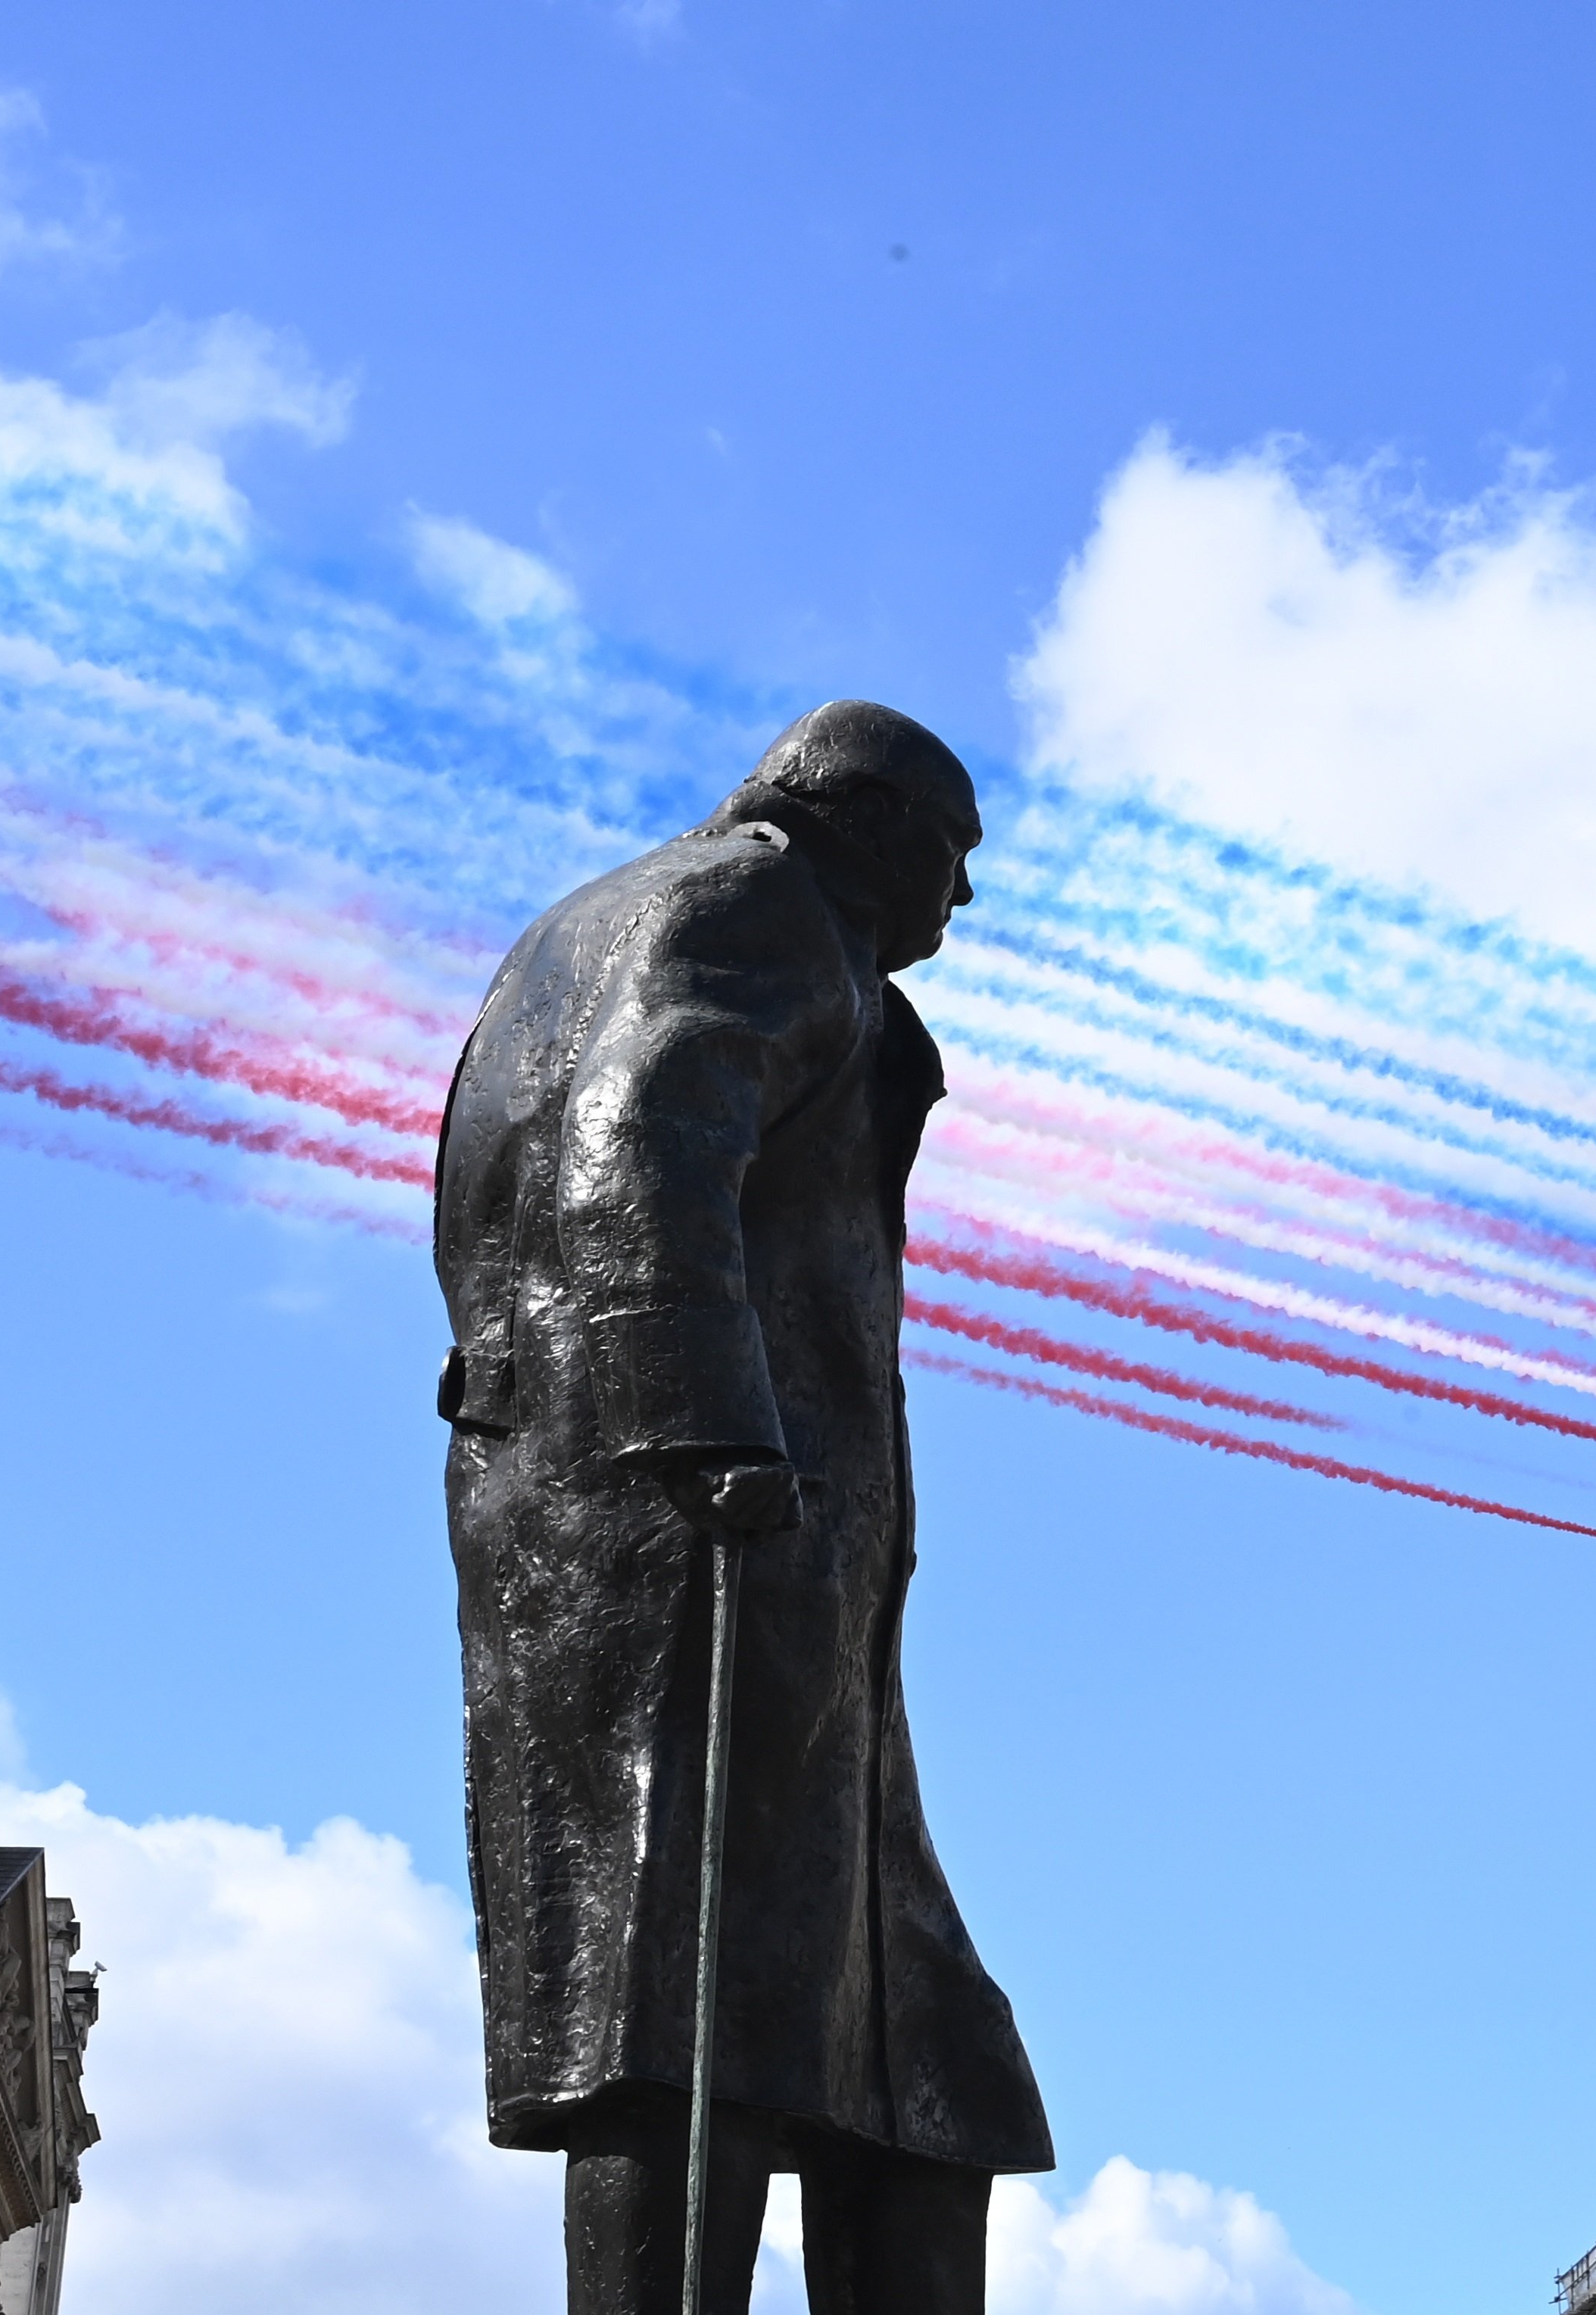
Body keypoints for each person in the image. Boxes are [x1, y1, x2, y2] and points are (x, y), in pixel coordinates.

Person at [435, 701, 1050, 2315]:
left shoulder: (679, 915)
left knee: (928, 2066)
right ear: (857, 818)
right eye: (951, 851)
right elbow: (634, 1138)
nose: (961, 901)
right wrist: (710, 1434)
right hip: (691, 1533)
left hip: (723, 1539)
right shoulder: (749, 903)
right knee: (680, 2005)